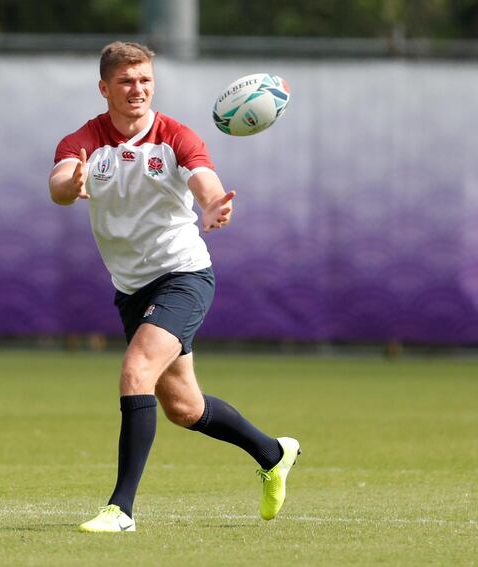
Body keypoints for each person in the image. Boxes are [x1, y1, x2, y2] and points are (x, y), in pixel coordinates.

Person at [49, 41, 300, 533]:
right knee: (185, 407)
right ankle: (273, 453)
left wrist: (210, 205)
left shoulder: (176, 137)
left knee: (136, 370)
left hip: (184, 275)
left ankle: (120, 511)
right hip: (132, 289)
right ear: (105, 88)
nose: (137, 89)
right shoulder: (83, 141)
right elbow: (60, 183)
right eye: (125, 81)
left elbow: (204, 178)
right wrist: (70, 182)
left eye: (144, 79)